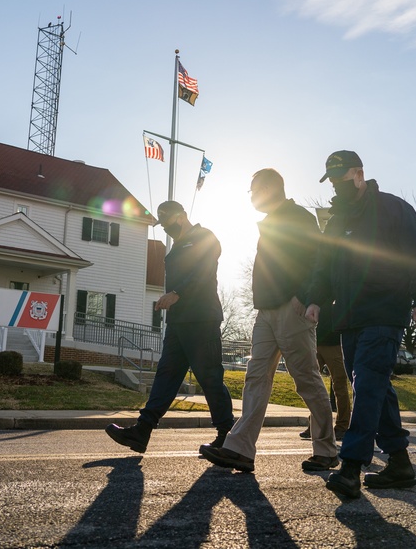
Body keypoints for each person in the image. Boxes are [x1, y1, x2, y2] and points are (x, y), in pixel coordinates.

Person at [302, 151, 416, 499]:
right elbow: (323, 264)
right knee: (375, 386)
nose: (336, 185)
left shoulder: (393, 208)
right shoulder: (337, 220)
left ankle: (350, 467)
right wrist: (316, 298)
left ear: (359, 174)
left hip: (385, 312)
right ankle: (400, 463)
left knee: (367, 384)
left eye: (341, 178)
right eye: (331, 180)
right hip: (350, 317)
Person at [200, 169, 338, 473]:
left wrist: (309, 297)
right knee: (256, 376)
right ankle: (241, 450)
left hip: (293, 309)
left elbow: (318, 260)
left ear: (268, 188)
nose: (251, 197)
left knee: (306, 380)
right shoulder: (270, 223)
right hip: (265, 312)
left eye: (253, 191)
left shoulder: (298, 218)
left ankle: (326, 450)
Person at [105, 201, 234, 453]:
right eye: (162, 223)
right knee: (166, 375)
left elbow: (204, 271)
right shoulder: (174, 247)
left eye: (168, 220)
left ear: (182, 216)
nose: (165, 226)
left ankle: (227, 435)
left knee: (209, 377)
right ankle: (142, 431)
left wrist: (177, 293)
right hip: (178, 322)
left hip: (201, 319)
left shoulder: (205, 237)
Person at [300, 301, 351, 442]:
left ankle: (342, 426)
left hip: (335, 343)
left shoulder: (337, 285)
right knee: (313, 385)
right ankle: (314, 425)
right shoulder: (316, 287)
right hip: (315, 341)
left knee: (339, 386)